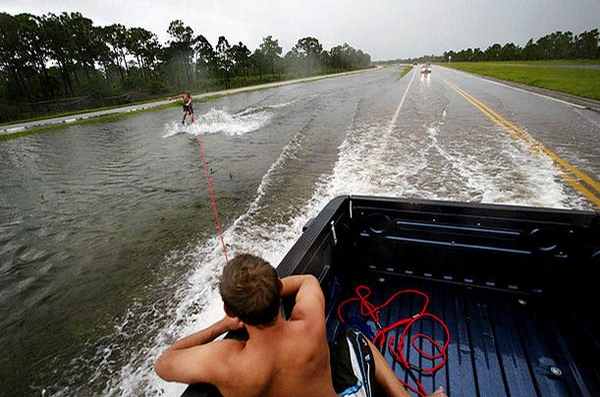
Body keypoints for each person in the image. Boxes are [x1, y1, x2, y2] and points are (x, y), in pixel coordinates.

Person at [155, 253, 447, 397]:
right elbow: (307, 280)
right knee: (354, 336)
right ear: (279, 288)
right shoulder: (309, 323)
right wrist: (268, 288)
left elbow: (164, 364)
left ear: (231, 309)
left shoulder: (226, 362)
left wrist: (220, 326)